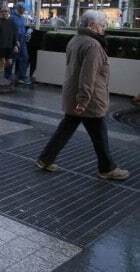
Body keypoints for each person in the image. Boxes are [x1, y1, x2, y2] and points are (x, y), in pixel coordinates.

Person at [36, 11, 129, 181]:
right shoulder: (93, 45)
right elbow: (88, 75)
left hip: (74, 94)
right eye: (102, 25)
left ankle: (45, 159)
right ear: (92, 25)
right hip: (89, 99)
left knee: (66, 128)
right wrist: (84, 100)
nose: (104, 28)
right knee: (99, 133)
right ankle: (107, 168)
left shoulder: (75, 40)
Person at [11, 5, 30, 84]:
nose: (24, 10)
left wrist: (27, 33)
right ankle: (11, 76)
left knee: (24, 57)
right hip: (16, 40)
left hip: (22, 40)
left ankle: (20, 76)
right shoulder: (12, 18)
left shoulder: (22, 18)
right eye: (23, 9)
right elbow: (12, 30)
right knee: (13, 58)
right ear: (19, 9)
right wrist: (15, 42)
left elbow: (22, 29)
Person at [0, 7, 19, 80]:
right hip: (1, 47)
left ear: (9, 13)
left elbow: (15, 35)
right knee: (2, 64)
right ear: (1, 13)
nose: (4, 13)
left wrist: (16, 45)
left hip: (10, 47)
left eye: (6, 11)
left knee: (9, 64)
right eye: (3, 11)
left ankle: (7, 79)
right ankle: (2, 79)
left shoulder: (12, 23)